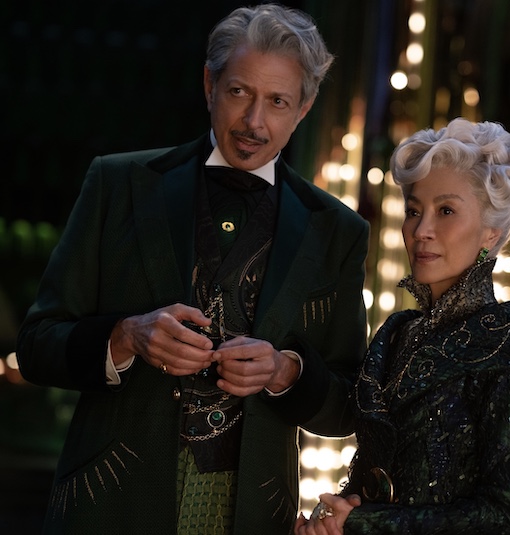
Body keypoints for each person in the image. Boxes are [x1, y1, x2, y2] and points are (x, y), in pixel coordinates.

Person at [16, 4, 369, 534]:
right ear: (209, 85)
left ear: (304, 107)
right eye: (239, 92)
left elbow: (347, 405)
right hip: (108, 506)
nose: (254, 122)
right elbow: (36, 345)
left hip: (251, 518)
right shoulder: (117, 185)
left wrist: (284, 371)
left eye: (277, 101)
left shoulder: (338, 230)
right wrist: (125, 337)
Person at [295, 118, 510, 535]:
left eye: (446, 211)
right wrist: (333, 520)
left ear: (491, 233)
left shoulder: (505, 339)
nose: (421, 230)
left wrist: (365, 524)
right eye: (414, 211)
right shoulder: (396, 334)